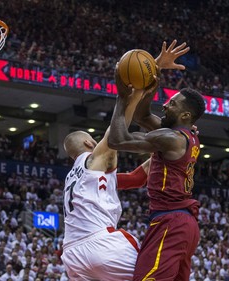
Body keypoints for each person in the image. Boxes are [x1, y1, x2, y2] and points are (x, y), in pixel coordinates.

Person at [61, 40, 189, 281]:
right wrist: (144, 79)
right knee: (156, 276)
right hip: (101, 244)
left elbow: (135, 179)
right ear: (89, 144)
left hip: (72, 256)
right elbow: (116, 131)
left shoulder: (74, 180)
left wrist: (174, 152)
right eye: (93, 139)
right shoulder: (94, 160)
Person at [108, 50, 206, 280]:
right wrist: (153, 76)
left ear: (185, 115)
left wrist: (122, 97)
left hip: (171, 222)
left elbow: (117, 140)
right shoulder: (182, 136)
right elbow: (142, 117)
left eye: (172, 103)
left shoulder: (170, 138)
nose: (165, 105)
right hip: (182, 223)